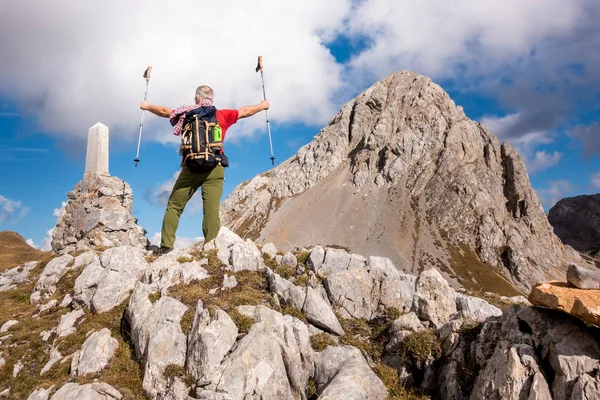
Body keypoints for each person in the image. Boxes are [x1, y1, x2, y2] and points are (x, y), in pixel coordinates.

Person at [140, 85, 269, 254]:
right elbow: (245, 111)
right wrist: (262, 106)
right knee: (211, 210)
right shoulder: (221, 115)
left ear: (196, 99)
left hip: (190, 168)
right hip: (215, 168)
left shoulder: (186, 115)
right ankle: (211, 249)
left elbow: (165, 111)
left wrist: (147, 106)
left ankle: (166, 246)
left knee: (174, 206)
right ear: (212, 99)